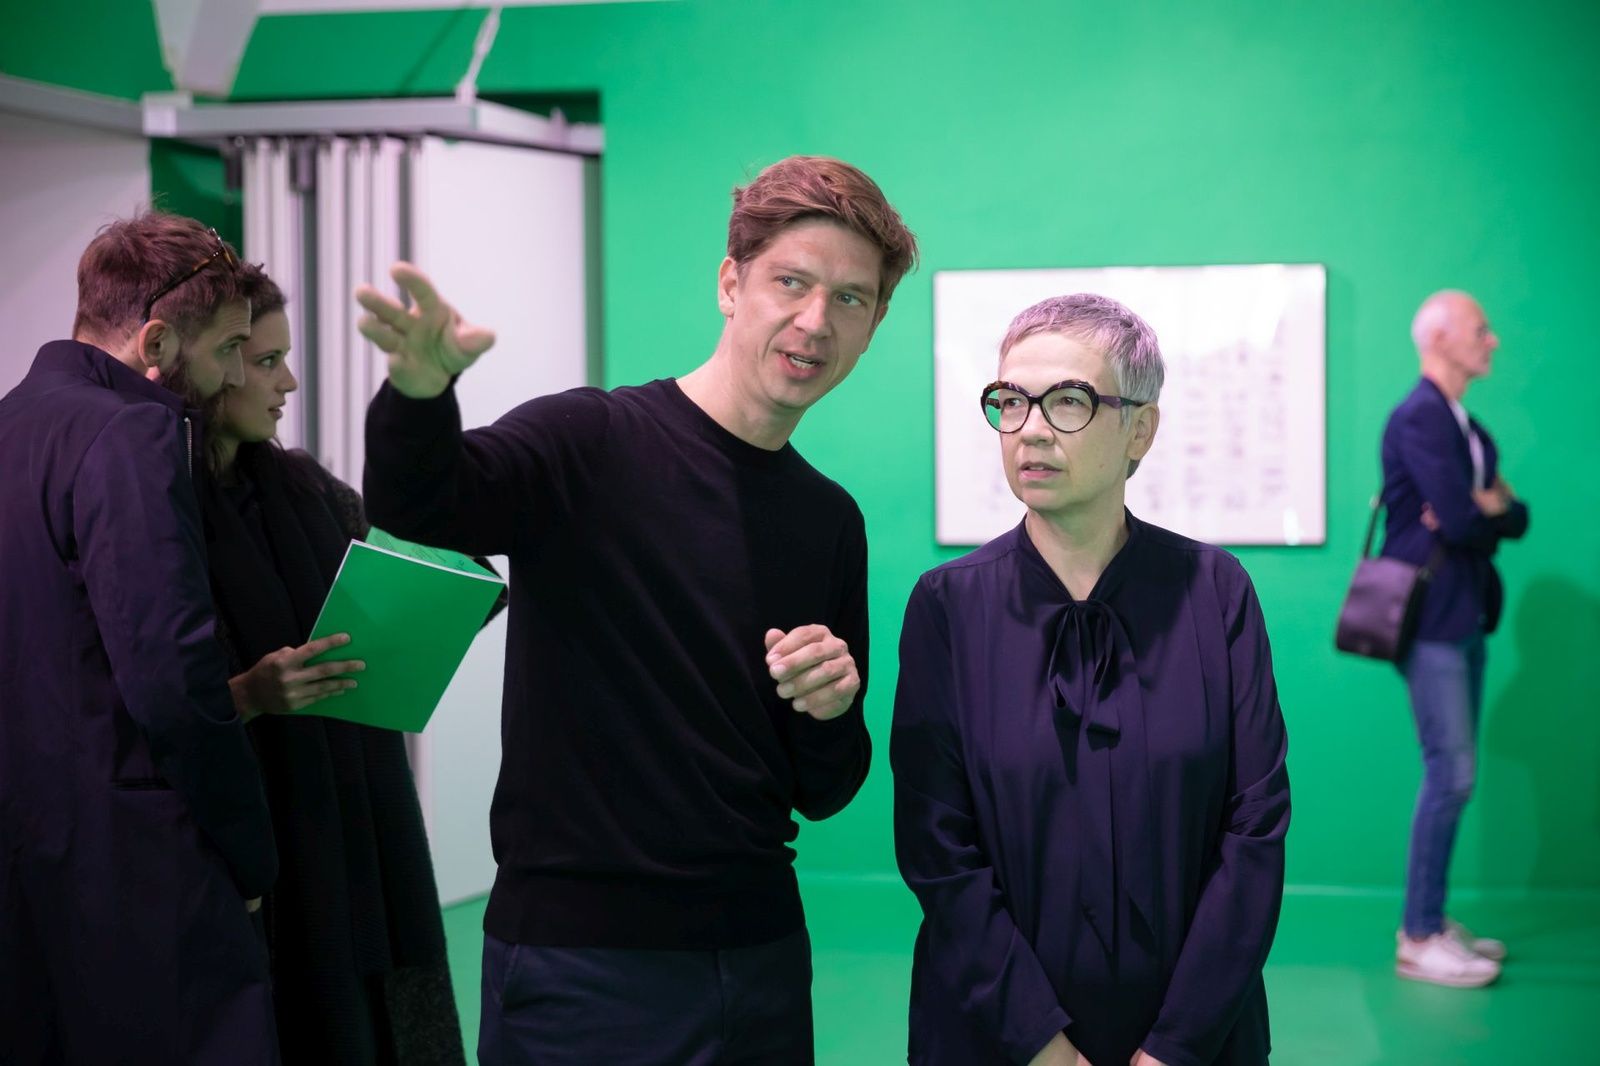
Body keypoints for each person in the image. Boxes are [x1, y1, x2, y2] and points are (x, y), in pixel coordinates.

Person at [352, 155, 916, 1064]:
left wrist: (830, 707)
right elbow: (423, 504)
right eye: (791, 282)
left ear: (874, 322)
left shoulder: (828, 520)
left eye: (849, 299)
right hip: (581, 967)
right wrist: (420, 395)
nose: (816, 321)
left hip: (762, 959)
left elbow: (827, 788)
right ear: (731, 284)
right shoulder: (591, 441)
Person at [892, 294, 1290, 1066]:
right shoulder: (949, 606)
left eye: (1069, 401)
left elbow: (1255, 829)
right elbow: (938, 847)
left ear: (1140, 428)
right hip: (995, 1033)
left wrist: (1177, 1046)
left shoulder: (1215, 592)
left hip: (1191, 1035)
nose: (1031, 429)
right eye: (1011, 401)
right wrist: (1041, 1044)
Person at [0, 212, 279, 1064]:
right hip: (141, 883)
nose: (236, 373)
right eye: (230, 348)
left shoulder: (13, 423)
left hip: (31, 866)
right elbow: (173, 681)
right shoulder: (131, 432)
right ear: (156, 342)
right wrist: (250, 855)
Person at [201, 264, 467, 1064]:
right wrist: (249, 692)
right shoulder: (163, 512)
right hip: (265, 831)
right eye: (266, 361)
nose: (287, 382)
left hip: (358, 816)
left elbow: (392, 569)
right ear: (211, 366)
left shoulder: (305, 489)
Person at [1381, 290, 1528, 987]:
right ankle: (1418, 935)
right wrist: (1481, 510)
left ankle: (1432, 921)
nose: (1491, 340)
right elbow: (1472, 521)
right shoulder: (1419, 416)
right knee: (1452, 771)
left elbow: (1513, 516)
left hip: (1466, 614)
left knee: (1452, 773)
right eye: (1480, 329)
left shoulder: (1466, 425)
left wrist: (1482, 510)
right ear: (1439, 339)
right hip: (1433, 617)